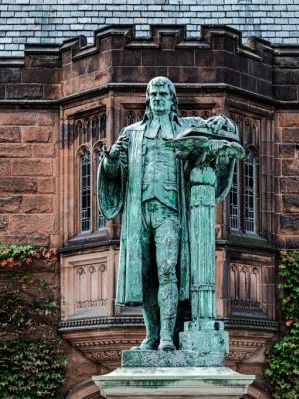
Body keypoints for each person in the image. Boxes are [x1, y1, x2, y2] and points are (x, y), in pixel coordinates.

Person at [98, 76, 236, 351]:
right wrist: (110, 160)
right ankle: (150, 336)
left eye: (163, 93)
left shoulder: (187, 128)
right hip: (139, 214)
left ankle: (166, 337)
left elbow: (224, 131)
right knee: (145, 275)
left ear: (172, 99)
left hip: (170, 213)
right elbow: (114, 174)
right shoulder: (131, 133)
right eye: (154, 94)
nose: (158, 98)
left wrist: (225, 123)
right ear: (148, 99)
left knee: (167, 271)